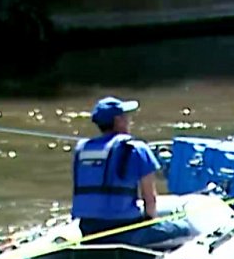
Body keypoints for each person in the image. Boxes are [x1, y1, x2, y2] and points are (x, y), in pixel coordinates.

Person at [71, 97, 193, 247]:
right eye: (126, 116)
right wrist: (150, 223)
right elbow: (150, 199)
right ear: (118, 120)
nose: (129, 120)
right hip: (127, 231)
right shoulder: (136, 148)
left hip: (89, 230)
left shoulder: (82, 149)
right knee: (184, 228)